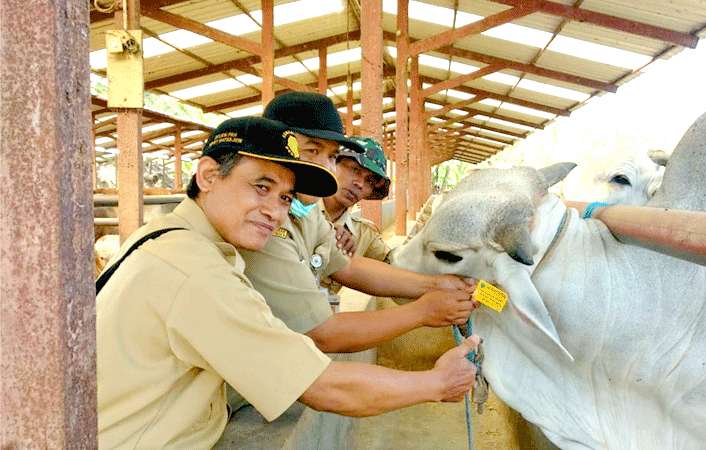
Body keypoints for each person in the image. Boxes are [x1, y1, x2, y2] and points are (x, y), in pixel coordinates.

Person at [95, 117, 479, 449]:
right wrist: (436, 383)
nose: (275, 213)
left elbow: (346, 266)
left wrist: (432, 287)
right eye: (260, 187)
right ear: (209, 175)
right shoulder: (194, 270)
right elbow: (322, 385)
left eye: (284, 198)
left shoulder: (174, 236)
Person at [240, 92, 477, 353]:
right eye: (312, 150)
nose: (324, 167)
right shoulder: (264, 223)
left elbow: (350, 267)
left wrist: (437, 283)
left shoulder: (310, 215)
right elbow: (322, 332)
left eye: (330, 156)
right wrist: (423, 312)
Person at [319, 136, 392, 295]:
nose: (360, 184)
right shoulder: (294, 210)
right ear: (333, 163)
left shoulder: (363, 233)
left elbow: (394, 266)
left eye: (369, 181)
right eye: (354, 170)